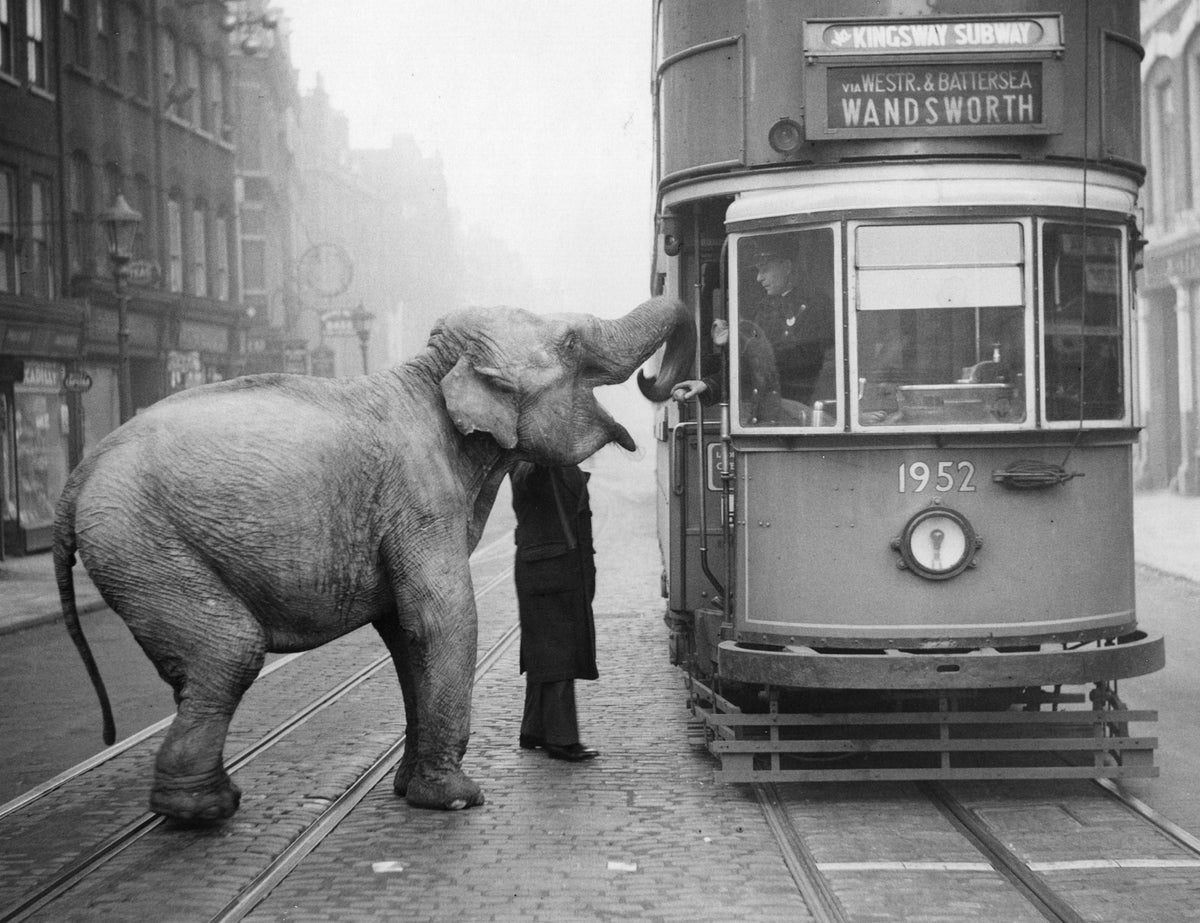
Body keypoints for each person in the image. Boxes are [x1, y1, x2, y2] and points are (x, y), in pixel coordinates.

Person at [509, 462, 600, 762]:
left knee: (546, 653)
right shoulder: (529, 464)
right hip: (547, 575)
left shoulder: (563, 466)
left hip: (562, 572)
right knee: (558, 655)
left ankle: (534, 729)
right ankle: (562, 739)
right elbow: (527, 475)